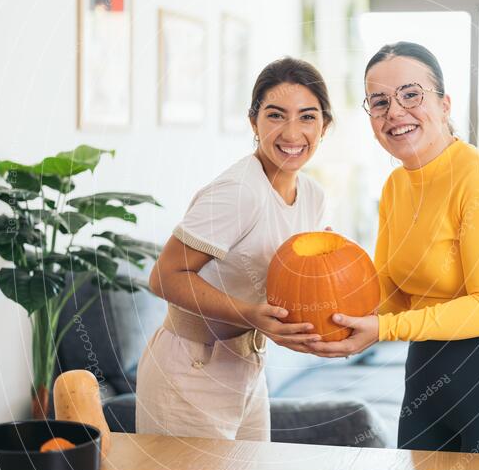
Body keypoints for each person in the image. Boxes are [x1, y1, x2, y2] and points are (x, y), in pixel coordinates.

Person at [308, 42, 479, 457]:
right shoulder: (395, 187)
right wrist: (335, 280)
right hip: (427, 385)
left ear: (445, 104)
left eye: (411, 94)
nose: (395, 111)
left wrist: (385, 330)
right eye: (379, 102)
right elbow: (392, 291)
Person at [136, 57, 332, 441]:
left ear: (324, 125)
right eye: (276, 115)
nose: (292, 133)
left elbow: (309, 280)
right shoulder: (239, 191)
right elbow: (163, 277)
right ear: (253, 122)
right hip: (189, 370)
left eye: (307, 117)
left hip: (248, 367)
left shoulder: (313, 197)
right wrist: (251, 314)